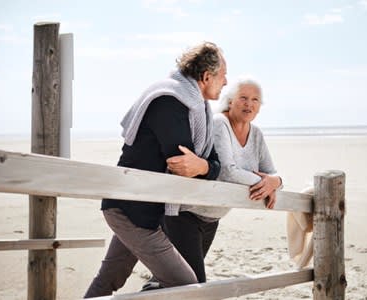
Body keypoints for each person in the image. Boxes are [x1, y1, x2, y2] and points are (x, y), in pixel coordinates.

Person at [84, 41, 227, 298]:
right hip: (129, 209)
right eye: (223, 76)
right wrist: (204, 167)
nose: (226, 82)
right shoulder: (169, 101)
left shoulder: (201, 111)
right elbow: (181, 164)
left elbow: (215, 164)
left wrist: (203, 165)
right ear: (206, 77)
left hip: (146, 211)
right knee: (186, 284)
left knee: (109, 279)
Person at [160, 76, 282, 284]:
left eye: (255, 100)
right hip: (186, 213)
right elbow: (226, 172)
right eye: (243, 97)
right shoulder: (219, 123)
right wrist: (264, 182)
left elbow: (271, 172)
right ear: (230, 100)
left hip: (211, 219)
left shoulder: (256, 134)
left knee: (173, 281)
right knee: (193, 283)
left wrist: (275, 182)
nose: (249, 104)